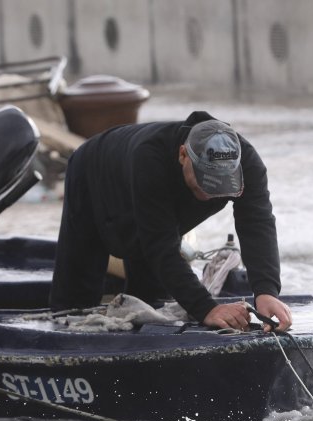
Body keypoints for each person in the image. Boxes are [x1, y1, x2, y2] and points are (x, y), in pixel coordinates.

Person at [49, 111, 292, 332]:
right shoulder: (150, 158)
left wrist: (266, 291)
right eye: (205, 184)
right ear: (183, 155)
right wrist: (207, 308)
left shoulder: (248, 163)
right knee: (77, 297)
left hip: (161, 199)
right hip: (96, 170)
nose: (209, 195)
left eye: (220, 187)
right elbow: (159, 245)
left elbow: (257, 224)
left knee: (153, 296)